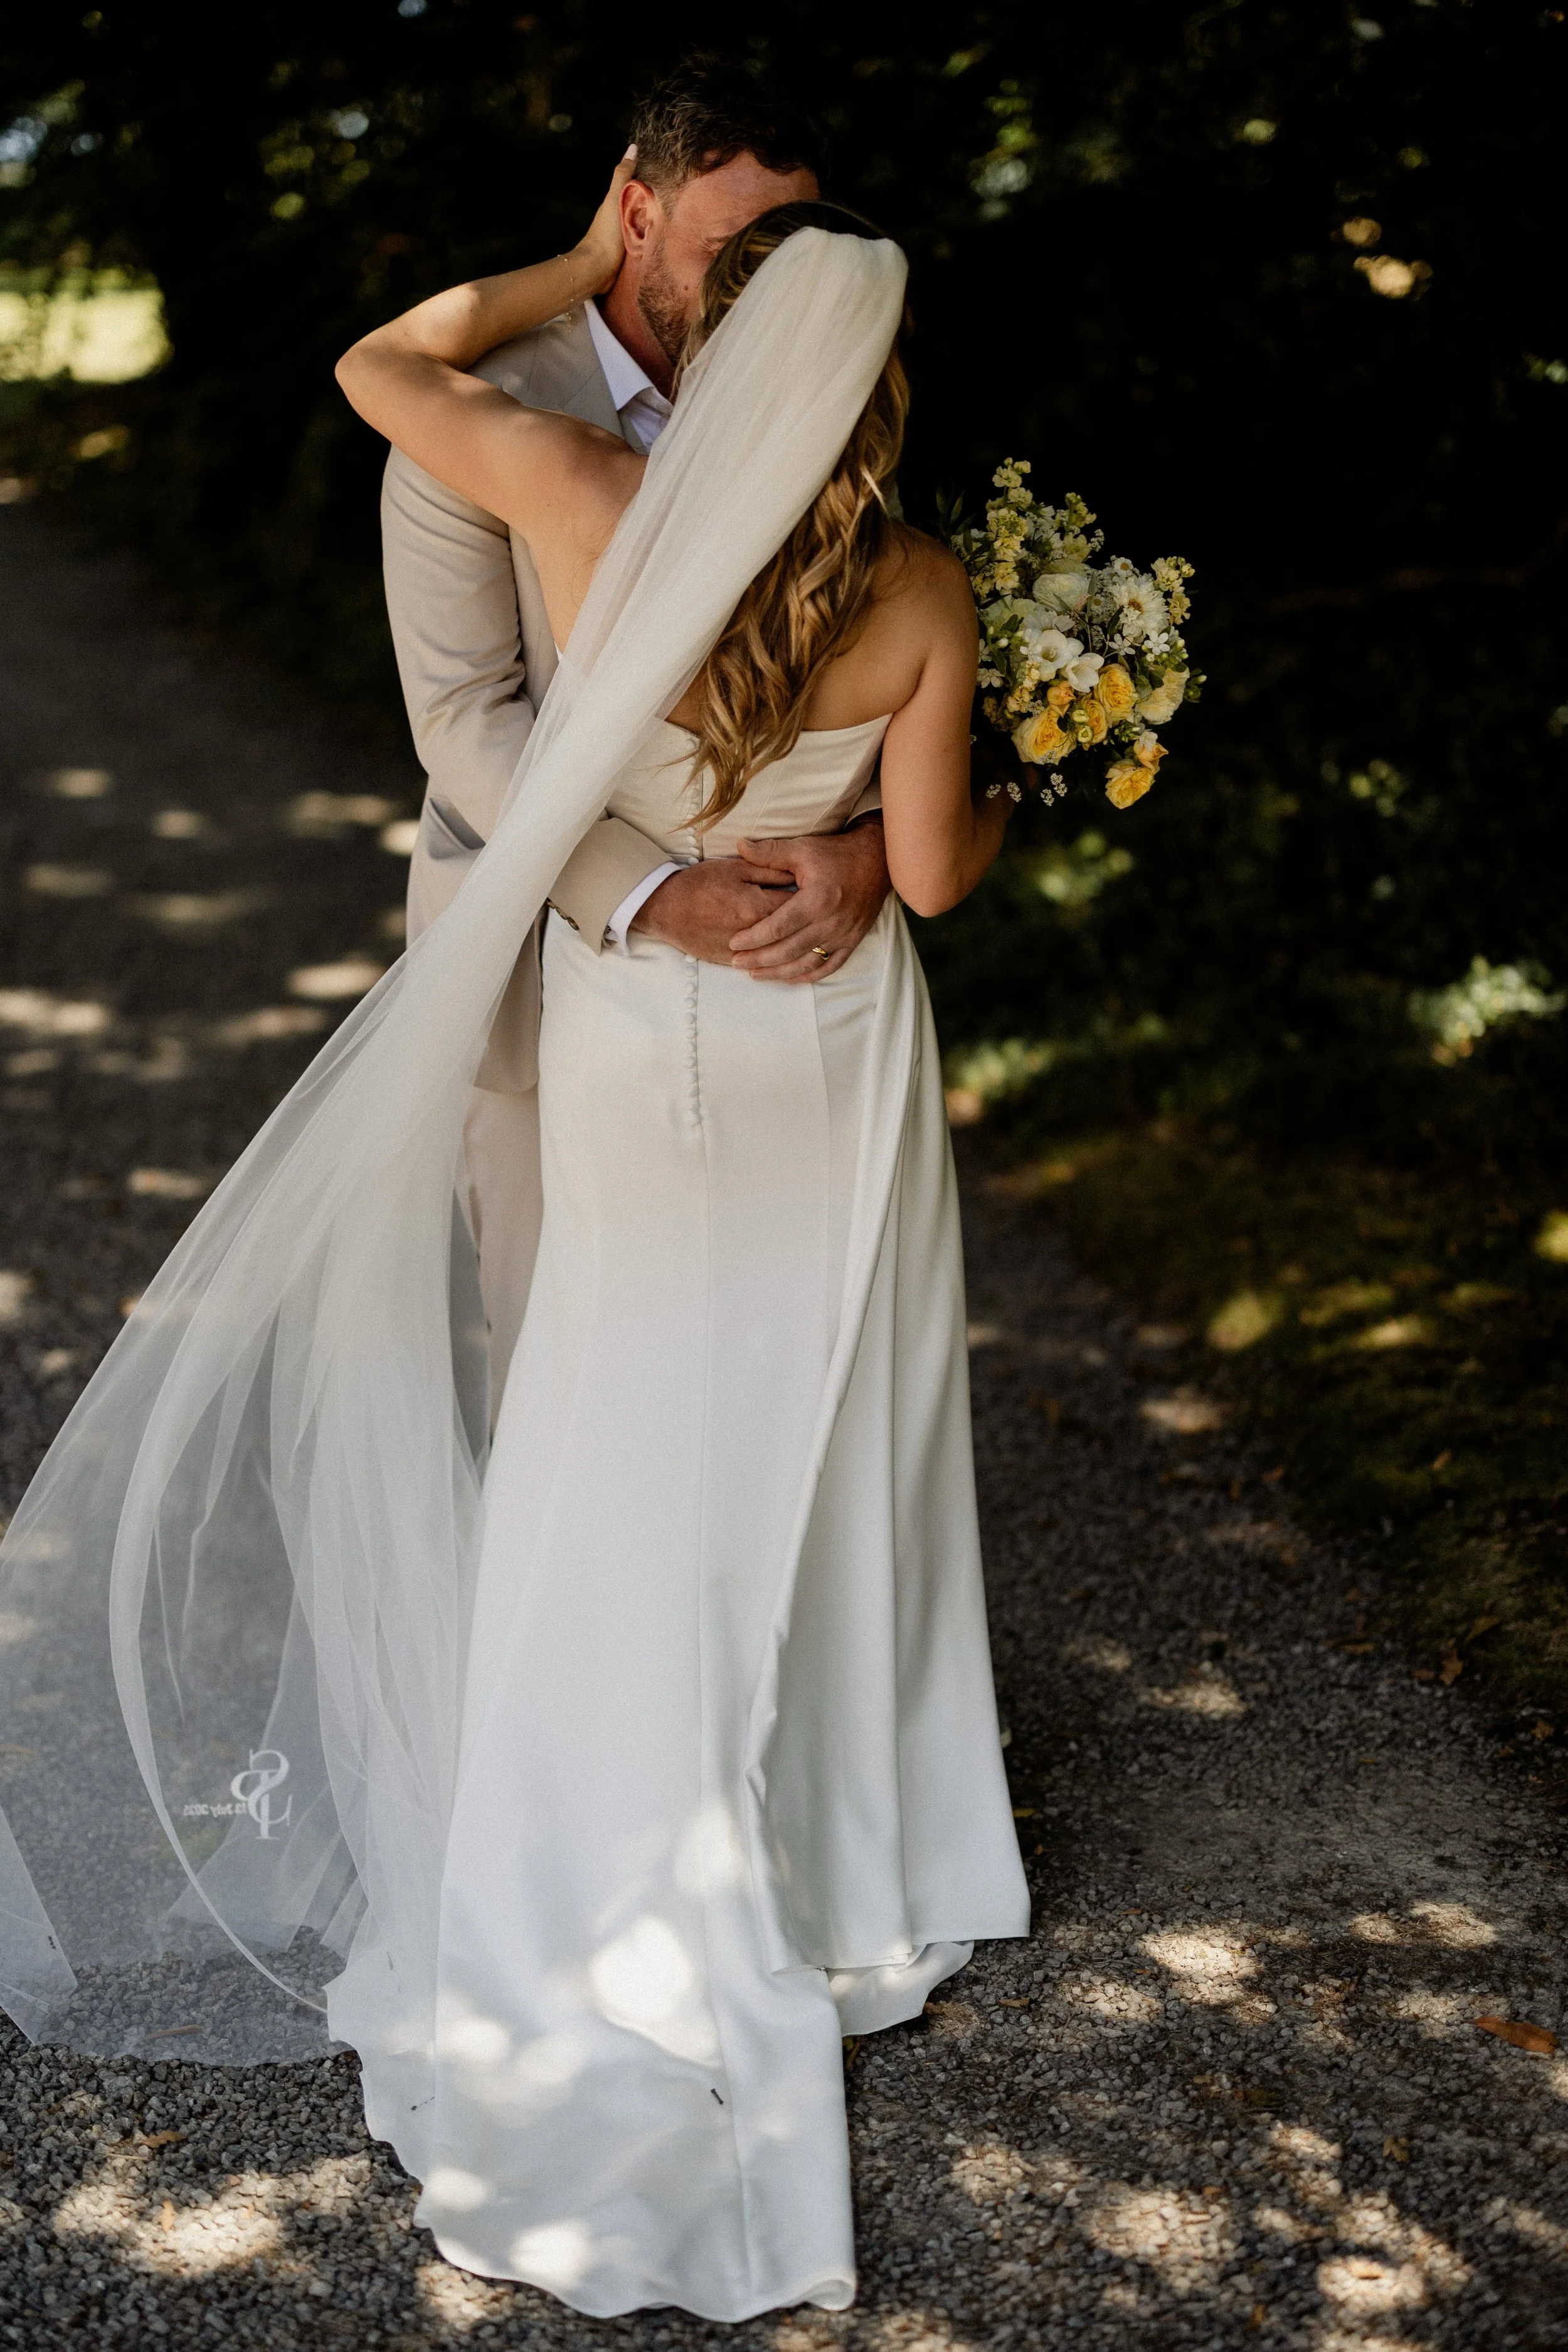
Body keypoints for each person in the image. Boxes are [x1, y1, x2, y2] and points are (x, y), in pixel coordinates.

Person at [0, 130, 1027, 2330]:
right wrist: (927, 819)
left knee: (603, 1424)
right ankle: (823, 1851)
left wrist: (567, 262)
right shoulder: (926, 589)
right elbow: (934, 878)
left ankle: (582, 1845)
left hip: (643, 1036)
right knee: (804, 1425)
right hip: (818, 1051)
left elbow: (378, 361)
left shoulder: (580, 492)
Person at [386, 56, 895, 1406]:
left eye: (789, 253)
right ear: (636, 211)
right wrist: (655, 898)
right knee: (560, 1382)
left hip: (788, 988)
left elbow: (909, 663)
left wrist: (878, 842)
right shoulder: (488, 410)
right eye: (734, 250)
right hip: (539, 949)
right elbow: (465, 720)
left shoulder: (835, 397)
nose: (764, 290)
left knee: (767, 1385)